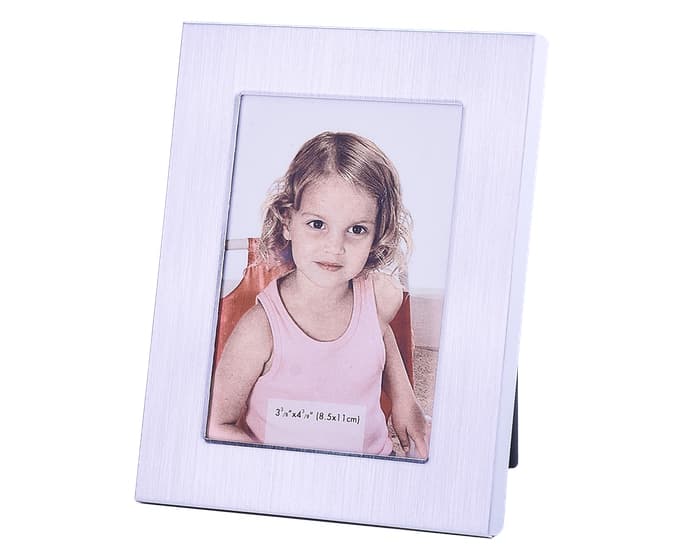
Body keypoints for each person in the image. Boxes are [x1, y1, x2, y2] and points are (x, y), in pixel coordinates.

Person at [208, 131, 429, 458]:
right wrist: (274, 468)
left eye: (357, 229)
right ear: (287, 221)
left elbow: (377, 334)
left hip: (371, 467)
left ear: (376, 235)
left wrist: (404, 398)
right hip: (285, 477)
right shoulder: (259, 330)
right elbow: (216, 423)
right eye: (317, 224)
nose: (334, 246)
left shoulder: (380, 298)